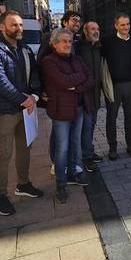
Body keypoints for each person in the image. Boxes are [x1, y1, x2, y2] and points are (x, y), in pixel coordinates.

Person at [0, 11, 44, 217]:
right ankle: (1, 195)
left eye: (20, 25)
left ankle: (23, 184)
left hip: (26, 109)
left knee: (25, 148)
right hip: (5, 112)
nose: (19, 28)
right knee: (3, 154)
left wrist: (34, 94)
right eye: (13, 25)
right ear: (2, 27)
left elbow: (35, 73)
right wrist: (22, 99)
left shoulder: (25, 48)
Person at [42, 28, 94, 203]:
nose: (68, 44)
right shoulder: (49, 61)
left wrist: (76, 85)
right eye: (64, 41)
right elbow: (63, 82)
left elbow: (91, 78)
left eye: (70, 41)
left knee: (75, 143)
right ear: (54, 43)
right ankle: (61, 183)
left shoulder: (77, 59)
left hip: (79, 107)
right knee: (62, 147)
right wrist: (79, 79)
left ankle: (74, 172)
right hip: (61, 110)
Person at [38, 10, 82, 175]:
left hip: (73, 94)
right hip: (57, 94)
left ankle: (68, 163)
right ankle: (56, 163)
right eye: (74, 20)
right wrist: (42, 89)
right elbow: (40, 65)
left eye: (79, 21)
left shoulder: (76, 40)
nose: (77, 23)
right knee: (59, 133)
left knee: (68, 134)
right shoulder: (52, 38)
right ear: (64, 22)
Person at [102, 13, 131, 159]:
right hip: (113, 87)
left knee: (129, 118)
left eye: (128, 24)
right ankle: (113, 148)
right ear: (116, 26)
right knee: (111, 118)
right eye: (122, 24)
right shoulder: (107, 42)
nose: (126, 27)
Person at [77, 21, 103, 171]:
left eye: (97, 29)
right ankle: (86, 157)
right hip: (84, 96)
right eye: (93, 29)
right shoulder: (79, 48)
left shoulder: (98, 47)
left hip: (95, 94)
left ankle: (89, 151)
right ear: (86, 31)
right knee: (86, 127)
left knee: (92, 125)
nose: (96, 31)